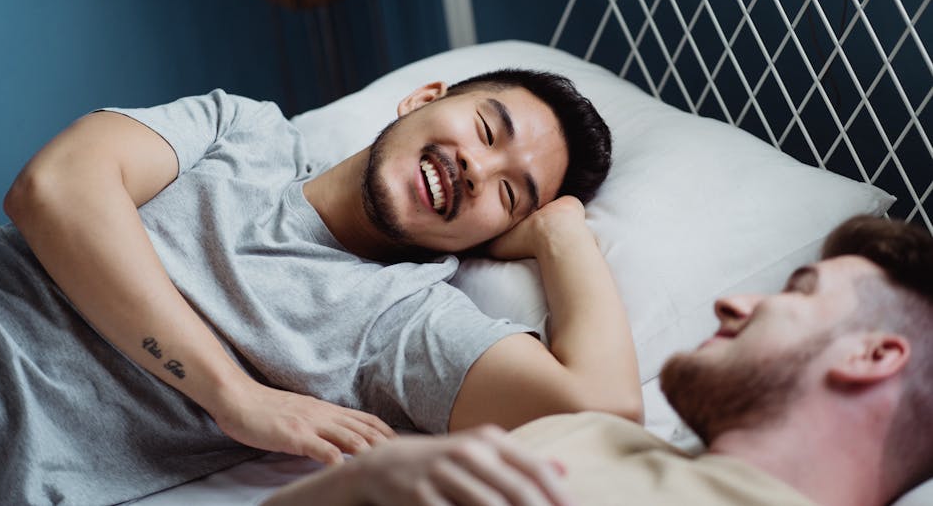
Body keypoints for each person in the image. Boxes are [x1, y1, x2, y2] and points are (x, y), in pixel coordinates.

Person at [0, 69, 642, 504]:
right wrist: (236, 395)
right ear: (423, 98)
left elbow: (602, 408)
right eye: (485, 129)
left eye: (508, 193)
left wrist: (560, 232)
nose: (477, 167)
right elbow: (53, 186)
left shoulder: (403, 323)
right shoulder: (241, 129)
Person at [263, 215, 933, 506]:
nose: (732, 302)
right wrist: (352, 486)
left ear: (873, 354)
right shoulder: (595, 433)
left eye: (797, 291)